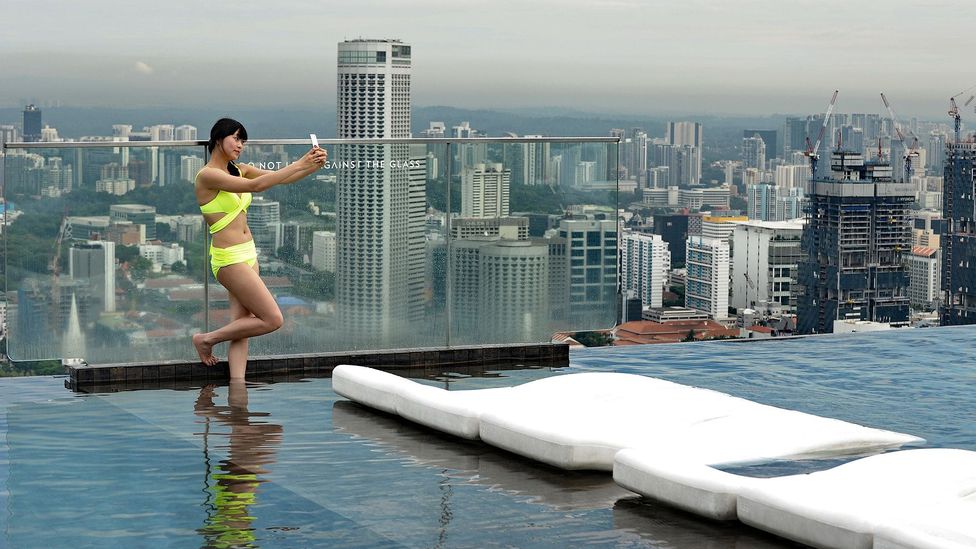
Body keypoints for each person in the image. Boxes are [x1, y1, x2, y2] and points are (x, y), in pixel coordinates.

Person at [191, 118, 326, 378]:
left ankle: (237, 388)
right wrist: (301, 163)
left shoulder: (239, 169)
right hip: (229, 259)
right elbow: (257, 186)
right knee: (273, 319)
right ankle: (206, 339)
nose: (240, 145)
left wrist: (311, 166)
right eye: (236, 138)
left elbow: (281, 180)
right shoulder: (208, 175)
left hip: (248, 253)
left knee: (242, 326)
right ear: (218, 139)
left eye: (243, 140)